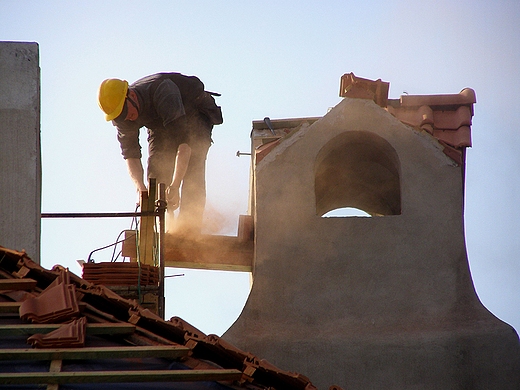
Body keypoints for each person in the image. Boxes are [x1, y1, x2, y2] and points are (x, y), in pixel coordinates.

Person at [98, 72, 223, 235]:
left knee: (193, 168)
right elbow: (131, 155)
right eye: (119, 117)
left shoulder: (163, 91)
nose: (126, 118)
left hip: (192, 115)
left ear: (131, 96)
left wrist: (175, 184)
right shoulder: (123, 119)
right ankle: (157, 231)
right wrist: (140, 189)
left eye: (124, 112)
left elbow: (184, 148)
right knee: (155, 177)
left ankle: (189, 230)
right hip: (159, 124)